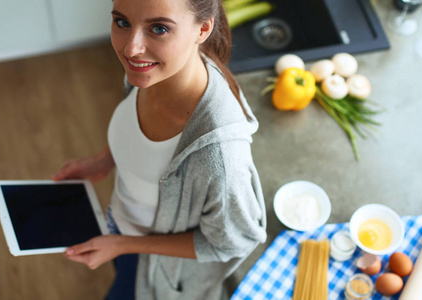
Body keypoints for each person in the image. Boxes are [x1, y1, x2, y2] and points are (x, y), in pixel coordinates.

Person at [51, 0, 267, 299]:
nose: (130, 48)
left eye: (159, 28)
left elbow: (234, 241)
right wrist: (103, 160)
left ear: (203, 29)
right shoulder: (149, 72)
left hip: (151, 266)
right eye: (122, 22)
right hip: (121, 230)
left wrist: (126, 245)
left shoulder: (219, 156)